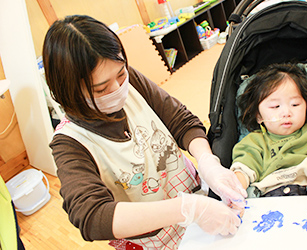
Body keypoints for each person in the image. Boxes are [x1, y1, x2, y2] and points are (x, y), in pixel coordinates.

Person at [43, 15, 247, 249]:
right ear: (69, 91)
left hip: (196, 208)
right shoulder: (70, 143)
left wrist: (208, 162)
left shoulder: (132, 82)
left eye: (121, 74)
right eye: (101, 88)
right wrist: (187, 208)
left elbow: (181, 120)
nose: (118, 89)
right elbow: (91, 216)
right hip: (152, 239)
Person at [231, 63, 307, 198]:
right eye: (275, 106)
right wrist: (236, 184)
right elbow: (245, 166)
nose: (286, 112)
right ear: (259, 116)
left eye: (295, 104)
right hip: (269, 199)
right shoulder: (253, 142)